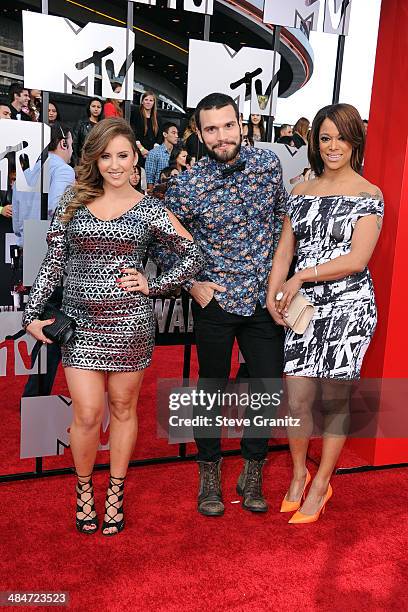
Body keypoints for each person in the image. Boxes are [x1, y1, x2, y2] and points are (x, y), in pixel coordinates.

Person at [22, 117, 203, 536]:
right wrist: (33, 314)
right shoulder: (73, 201)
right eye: (106, 156)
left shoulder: (150, 208)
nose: (115, 165)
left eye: (123, 155)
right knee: (86, 412)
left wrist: (153, 284)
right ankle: (84, 490)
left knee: (123, 409)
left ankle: (115, 492)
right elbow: (54, 263)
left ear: (135, 157)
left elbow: (192, 256)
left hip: (129, 326)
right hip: (80, 325)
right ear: (94, 159)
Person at [164, 92, 288, 517]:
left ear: (242, 125)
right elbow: (166, 245)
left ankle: (252, 471)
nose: (222, 136)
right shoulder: (186, 184)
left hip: (261, 300)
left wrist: (281, 282)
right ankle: (210, 473)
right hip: (215, 303)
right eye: (211, 128)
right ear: (199, 132)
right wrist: (193, 284)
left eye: (228, 125)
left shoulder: (268, 167)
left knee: (268, 388)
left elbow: (281, 225)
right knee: (211, 387)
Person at [266, 103, 384, 524]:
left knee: (334, 401)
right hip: (303, 310)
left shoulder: (369, 195)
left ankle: (322, 483)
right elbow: (285, 250)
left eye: (342, 137)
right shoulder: (300, 191)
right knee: (297, 397)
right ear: (316, 142)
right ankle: (299, 474)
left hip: (349, 309)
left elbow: (356, 259)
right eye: (325, 137)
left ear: (356, 140)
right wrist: (272, 290)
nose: (334, 146)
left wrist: (300, 279)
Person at [145, 122, 179, 191]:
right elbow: (149, 178)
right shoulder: (154, 153)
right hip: (159, 192)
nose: (177, 136)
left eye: (177, 133)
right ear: (165, 134)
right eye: (173, 133)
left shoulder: (179, 153)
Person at [132, 91, 162, 164]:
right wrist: (141, 149)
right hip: (138, 151)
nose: (148, 102)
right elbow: (133, 133)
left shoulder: (158, 117)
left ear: (154, 103)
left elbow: (160, 135)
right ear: (142, 102)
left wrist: (154, 151)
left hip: (153, 153)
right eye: (146, 100)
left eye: (151, 100)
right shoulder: (136, 114)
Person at [73, 97, 103, 163]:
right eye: (93, 106)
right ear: (89, 108)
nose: (96, 109)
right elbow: (75, 143)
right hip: (84, 160)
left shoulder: (103, 125)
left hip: (98, 159)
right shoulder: (81, 123)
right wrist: (76, 160)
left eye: (98, 107)